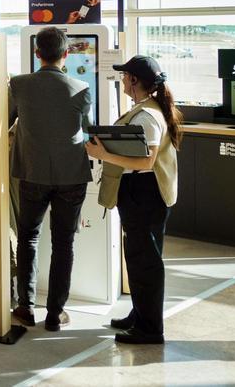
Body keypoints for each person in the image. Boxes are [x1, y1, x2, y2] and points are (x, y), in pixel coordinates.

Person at [86, 55, 181, 346]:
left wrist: (102, 155)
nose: (123, 80)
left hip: (144, 193)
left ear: (135, 80)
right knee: (141, 258)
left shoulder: (146, 117)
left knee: (144, 262)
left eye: (125, 75)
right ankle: (140, 314)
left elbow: (147, 161)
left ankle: (150, 329)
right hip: (144, 194)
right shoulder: (148, 109)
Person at [8, 27, 93, 331]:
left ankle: (25, 306)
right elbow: (87, 129)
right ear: (66, 54)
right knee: (64, 243)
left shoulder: (19, 84)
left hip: (32, 173)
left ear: (37, 53)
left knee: (28, 238)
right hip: (72, 175)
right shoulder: (81, 87)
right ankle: (55, 313)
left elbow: (5, 122)